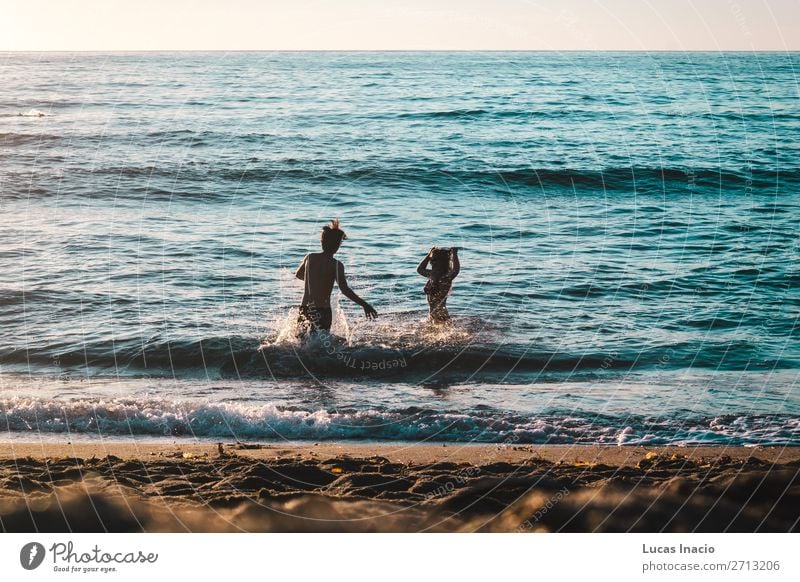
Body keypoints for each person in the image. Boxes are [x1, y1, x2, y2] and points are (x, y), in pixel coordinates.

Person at [295, 219, 377, 334]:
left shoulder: (310, 258)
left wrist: (313, 281)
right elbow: (345, 290)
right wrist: (365, 305)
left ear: (322, 242)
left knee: (300, 341)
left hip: (306, 308)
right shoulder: (336, 265)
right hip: (323, 311)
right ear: (337, 246)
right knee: (320, 345)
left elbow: (299, 275)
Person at [416, 247, 460, 322]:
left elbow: (455, 270)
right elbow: (419, 269)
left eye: (434, 260)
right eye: (431, 260)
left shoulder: (445, 278)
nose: (431, 262)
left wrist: (454, 254)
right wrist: (429, 254)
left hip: (442, 317)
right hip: (432, 316)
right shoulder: (432, 275)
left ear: (442, 262)